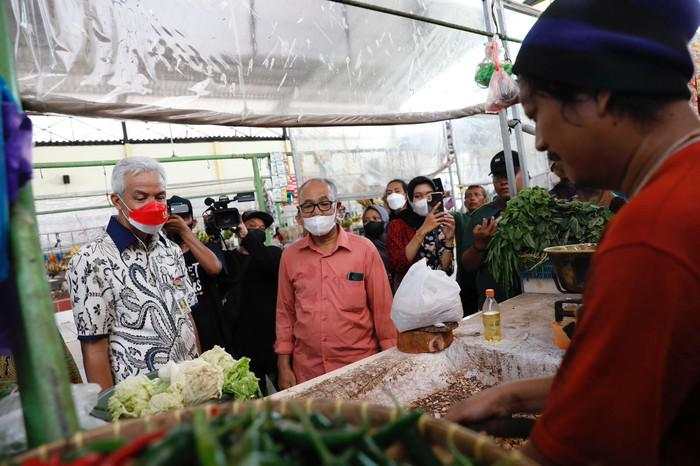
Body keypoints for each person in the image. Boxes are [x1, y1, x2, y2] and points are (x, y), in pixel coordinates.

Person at [447, 1, 700, 465]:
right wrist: (516, 398)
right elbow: (645, 378)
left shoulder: (651, 233)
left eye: (537, 111)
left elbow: (579, 454)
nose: (540, 140)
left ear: (597, 94)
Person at [67, 157, 198, 389]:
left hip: (190, 387)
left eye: (160, 197)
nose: (154, 204)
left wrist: (202, 372)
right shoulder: (91, 260)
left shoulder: (170, 250)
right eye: (141, 198)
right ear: (117, 200)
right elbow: (94, 348)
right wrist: (110, 410)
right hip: (142, 401)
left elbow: (187, 317)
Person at [275, 178, 397, 389]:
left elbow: (383, 310)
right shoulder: (290, 256)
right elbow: (285, 312)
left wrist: (390, 359)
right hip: (308, 372)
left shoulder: (364, 250)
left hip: (360, 367)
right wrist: (284, 366)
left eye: (324, 203)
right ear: (300, 213)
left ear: (337, 208)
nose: (316, 212)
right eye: (308, 206)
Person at [227, 210, 283, 390]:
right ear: (239, 229)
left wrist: (249, 239)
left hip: (273, 341)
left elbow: (268, 264)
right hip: (244, 345)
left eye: (261, 228)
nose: (257, 231)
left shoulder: (273, 253)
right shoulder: (229, 258)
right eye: (251, 228)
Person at [163, 195, 226, 352]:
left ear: (194, 221)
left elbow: (214, 268)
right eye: (173, 217)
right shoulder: (162, 255)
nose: (179, 221)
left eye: (184, 217)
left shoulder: (207, 247)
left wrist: (185, 232)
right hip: (181, 332)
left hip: (212, 328)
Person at [460, 152, 524, 308]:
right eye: (498, 176)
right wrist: (479, 245)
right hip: (495, 303)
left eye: (510, 173)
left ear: (525, 174)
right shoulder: (481, 216)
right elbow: (467, 265)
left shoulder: (539, 210)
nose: (503, 181)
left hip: (535, 295)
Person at [386, 176, 455, 288]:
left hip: (439, 291)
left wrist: (449, 240)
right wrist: (423, 229)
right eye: (418, 196)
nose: (424, 200)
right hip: (412, 293)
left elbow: (446, 270)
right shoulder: (398, 224)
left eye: (429, 195)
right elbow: (398, 265)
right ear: (410, 200)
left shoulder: (441, 223)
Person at [453, 184, 489, 315]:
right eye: (468, 196)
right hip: (465, 278)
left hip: (484, 276)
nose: (472, 198)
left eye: (476, 195)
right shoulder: (460, 218)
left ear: (485, 199)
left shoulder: (491, 218)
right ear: (464, 202)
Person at [362, 204, 391, 285]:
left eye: (375, 218)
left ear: (385, 219)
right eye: (366, 220)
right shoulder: (364, 247)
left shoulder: (395, 242)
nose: (371, 222)